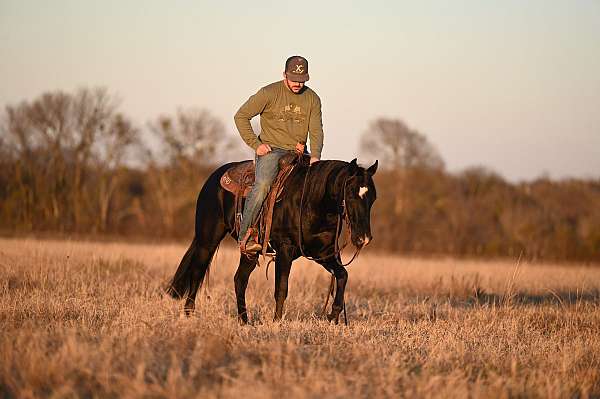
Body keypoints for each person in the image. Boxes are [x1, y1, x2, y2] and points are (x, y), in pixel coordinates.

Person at [234, 55, 324, 253]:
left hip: (299, 153)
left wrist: (315, 155)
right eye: (294, 79)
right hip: (271, 150)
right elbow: (241, 116)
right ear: (284, 75)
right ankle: (245, 236)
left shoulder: (312, 99)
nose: (298, 84)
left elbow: (316, 130)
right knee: (264, 184)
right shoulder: (268, 93)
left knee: (316, 186)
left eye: (302, 80)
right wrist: (256, 145)